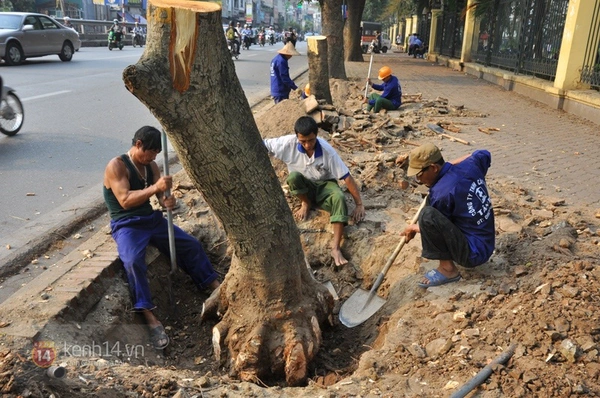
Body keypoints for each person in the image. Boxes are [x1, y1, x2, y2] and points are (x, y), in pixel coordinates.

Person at [103, 126, 220, 350]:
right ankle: (150, 317)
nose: (153, 157)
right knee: (133, 262)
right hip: (127, 225)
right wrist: (155, 187)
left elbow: (161, 196)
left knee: (191, 245)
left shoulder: (151, 166)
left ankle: (213, 286)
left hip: (151, 220)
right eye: (151, 152)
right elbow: (125, 200)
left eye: (157, 153)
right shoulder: (116, 166)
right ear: (138, 145)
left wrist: (167, 199)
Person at [264, 117, 365, 266]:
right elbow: (262, 144)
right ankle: (306, 202)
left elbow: (346, 177)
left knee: (339, 197)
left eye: (310, 140)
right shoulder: (286, 144)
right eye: (302, 141)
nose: (307, 145)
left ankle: (335, 247)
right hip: (304, 186)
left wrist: (359, 204)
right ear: (297, 137)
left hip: (325, 184)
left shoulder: (327, 151)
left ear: (316, 135)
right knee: (293, 177)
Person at [400, 143, 495, 288]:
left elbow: (435, 227)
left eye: (419, 175)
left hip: (473, 253)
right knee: (432, 207)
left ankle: (447, 269)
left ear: (433, 168)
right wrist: (451, 164)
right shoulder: (471, 165)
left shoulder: (442, 193)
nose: (418, 180)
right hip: (487, 241)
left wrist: (414, 227)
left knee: (427, 215)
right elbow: (483, 153)